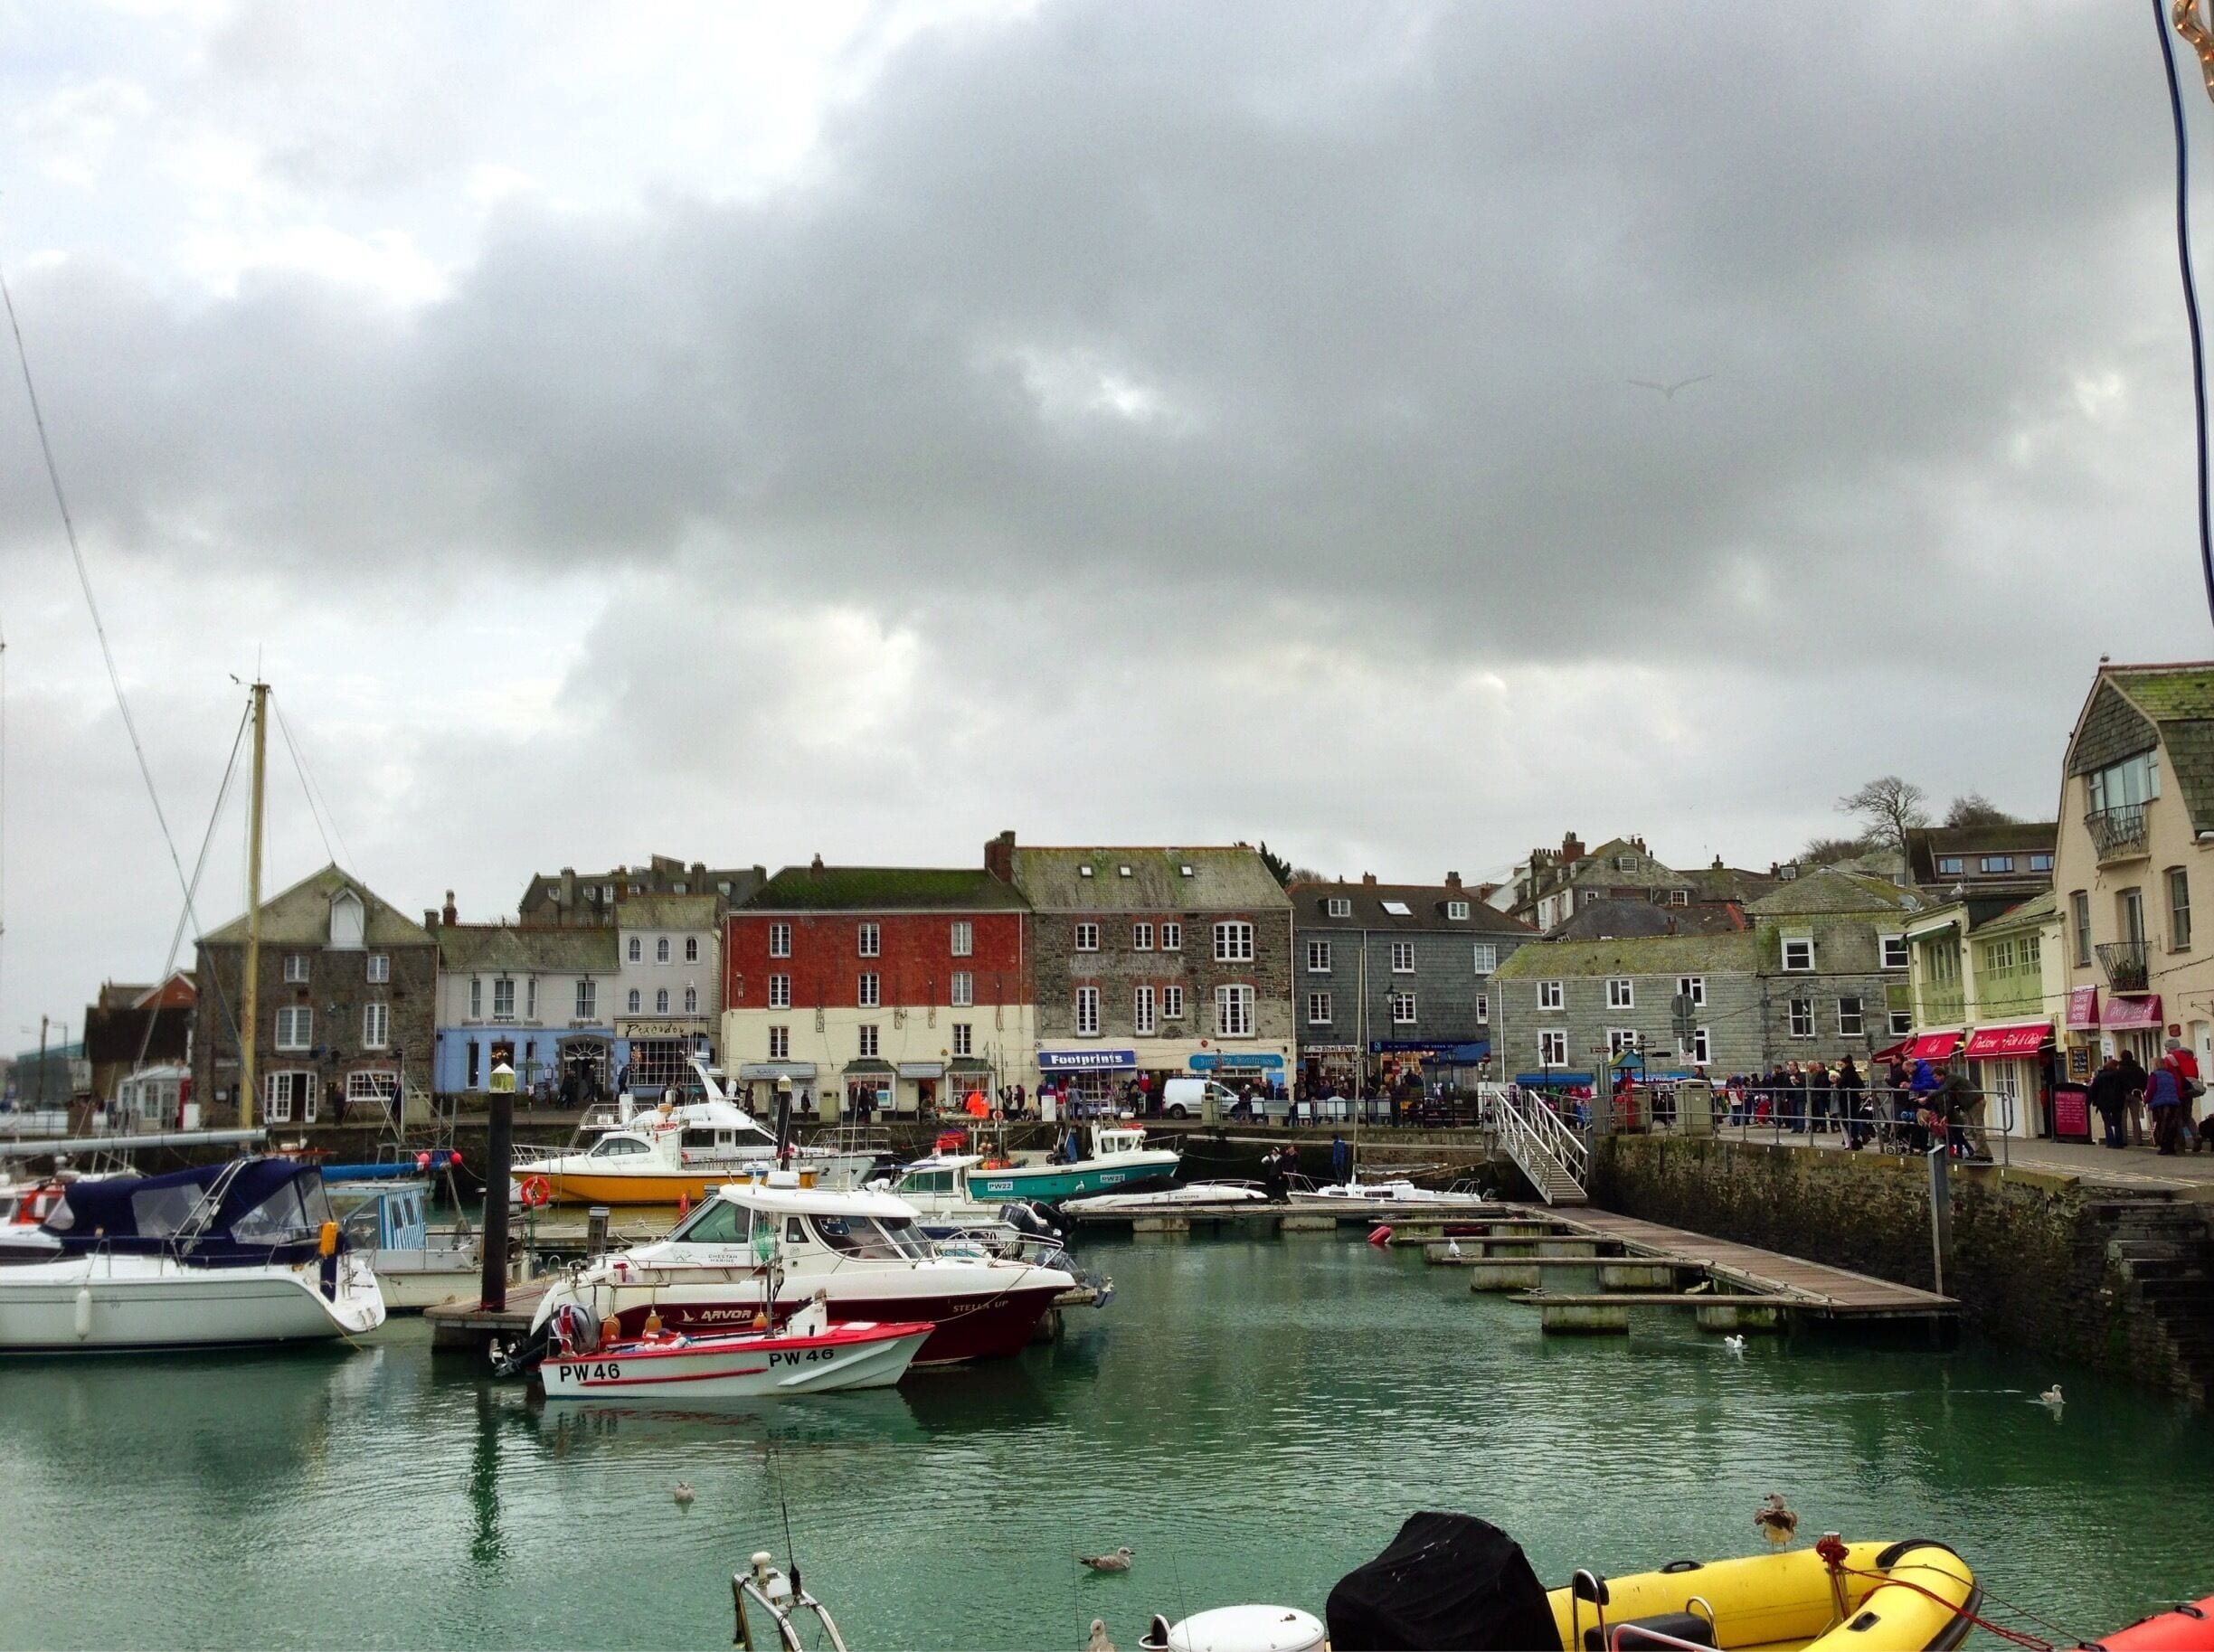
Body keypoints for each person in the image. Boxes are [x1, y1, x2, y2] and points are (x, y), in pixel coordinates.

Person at [2148, 1055, 2185, 1156]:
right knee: (2171, 1125)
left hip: (2160, 1103)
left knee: (2162, 1125)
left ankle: (2164, 1147)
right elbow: (2177, 1088)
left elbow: (2151, 1089)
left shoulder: (2154, 1076)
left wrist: (2147, 1100)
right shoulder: (2170, 1075)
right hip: (2174, 1102)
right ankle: (2171, 1146)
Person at [2089, 1054, 2127, 1147]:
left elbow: (2093, 1089)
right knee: (2117, 1122)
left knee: (2107, 1123)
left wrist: (2091, 1100)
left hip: (2103, 1103)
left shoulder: (2100, 1077)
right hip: (2117, 1102)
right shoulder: (2119, 1076)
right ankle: (2119, 1142)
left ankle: (2110, 1142)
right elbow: (2124, 1088)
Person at [2119, 1050, 2150, 1147]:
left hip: (2122, 1094)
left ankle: (2123, 1139)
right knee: (2136, 1118)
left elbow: (2116, 1082)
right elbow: (2145, 1081)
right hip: (2136, 1094)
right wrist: (2141, 1090)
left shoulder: (2120, 1069)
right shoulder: (2139, 1069)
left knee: (2123, 1118)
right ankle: (2138, 1140)